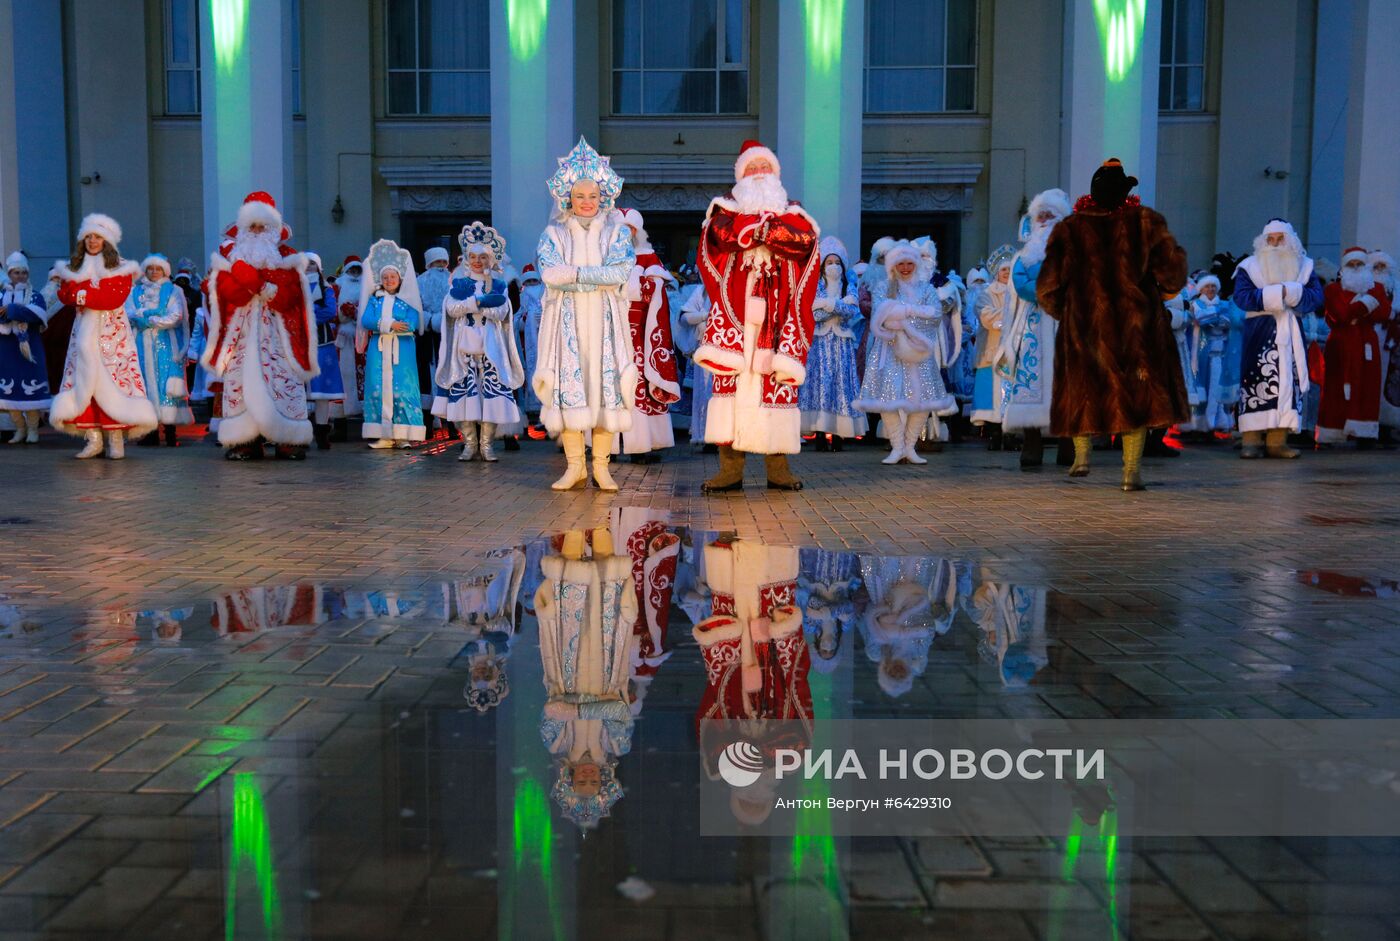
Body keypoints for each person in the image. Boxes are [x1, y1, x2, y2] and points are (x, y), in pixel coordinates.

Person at [1035, 158, 1189, 491]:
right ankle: (1130, 470)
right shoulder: (1147, 223)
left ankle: (1081, 456)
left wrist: (1070, 311)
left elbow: (1047, 287)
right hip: (1137, 326)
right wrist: (1156, 296)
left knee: (1082, 389)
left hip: (1084, 325)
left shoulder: (1070, 228)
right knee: (1137, 394)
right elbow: (1172, 273)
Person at [694, 140, 819, 492]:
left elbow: (802, 242)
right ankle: (729, 471)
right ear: (740, 176)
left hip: (776, 319)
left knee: (774, 387)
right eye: (751, 169)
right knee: (731, 390)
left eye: (765, 168)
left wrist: (763, 232)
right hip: (736, 316)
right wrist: (760, 231)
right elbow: (721, 238)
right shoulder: (724, 212)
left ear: (776, 175)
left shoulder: (795, 214)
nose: (758, 174)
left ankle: (778, 469)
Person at [533, 137, 637, 492]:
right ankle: (575, 466)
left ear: (604, 197)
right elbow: (549, 273)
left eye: (593, 196)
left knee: (607, 392)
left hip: (607, 324)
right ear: (568, 198)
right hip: (568, 325)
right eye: (580, 196)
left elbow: (620, 272)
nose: (587, 202)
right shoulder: (554, 234)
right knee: (571, 390)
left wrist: (574, 275)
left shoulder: (617, 233)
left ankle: (602, 467)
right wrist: (593, 277)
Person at [202, 192, 318, 460]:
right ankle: (245, 440)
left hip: (278, 336)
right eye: (251, 226)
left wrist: (257, 282)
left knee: (282, 383)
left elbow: (289, 297)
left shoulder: (288, 258)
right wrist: (245, 278)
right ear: (242, 228)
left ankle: (287, 438)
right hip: (240, 335)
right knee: (240, 384)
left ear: (273, 228)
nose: (256, 231)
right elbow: (229, 294)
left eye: (262, 226)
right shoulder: (227, 258)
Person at [535, 528, 637, 829]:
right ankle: (603, 519)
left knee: (570, 587)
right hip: (609, 663)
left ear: (570, 778)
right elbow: (619, 710)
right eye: (594, 781)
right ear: (604, 781)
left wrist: (581, 707)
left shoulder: (556, 743)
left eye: (582, 780)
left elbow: (551, 710)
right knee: (610, 584)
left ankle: (575, 520)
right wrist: (578, 710)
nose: (589, 775)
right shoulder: (618, 746)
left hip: (568, 663)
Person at [50, 214, 158, 459]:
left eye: (97, 236)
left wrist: (82, 292)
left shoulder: (120, 267)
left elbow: (112, 298)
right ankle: (94, 440)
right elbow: (64, 294)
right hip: (83, 335)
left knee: (114, 383)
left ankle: (116, 440)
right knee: (83, 382)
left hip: (111, 336)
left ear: (106, 240)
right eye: (88, 236)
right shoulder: (76, 265)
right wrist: (84, 293)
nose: (92, 241)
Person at [853, 239, 959, 465]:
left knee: (922, 402)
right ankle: (897, 447)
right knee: (887, 400)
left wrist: (903, 316)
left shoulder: (927, 289)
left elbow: (935, 316)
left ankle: (910, 447)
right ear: (892, 265)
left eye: (909, 263)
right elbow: (883, 318)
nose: (905, 268)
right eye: (900, 263)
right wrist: (913, 313)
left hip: (920, 354)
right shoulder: (884, 288)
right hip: (889, 351)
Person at [1232, 219, 1326, 457]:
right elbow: (1242, 297)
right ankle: (1250, 442)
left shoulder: (1304, 266)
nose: (1274, 245)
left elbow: (1315, 297)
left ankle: (1277, 442)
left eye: (1280, 239)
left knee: (1287, 386)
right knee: (1255, 383)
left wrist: (1292, 293)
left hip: (1291, 331)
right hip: (1259, 332)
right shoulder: (1249, 267)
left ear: (1290, 240)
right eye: (1270, 240)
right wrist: (1277, 293)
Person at [434, 222, 523, 462]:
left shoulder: (499, 285)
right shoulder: (459, 284)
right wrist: (478, 303)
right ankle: (469, 444)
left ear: (490, 259)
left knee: (491, 400)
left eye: (482, 257)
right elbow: (452, 309)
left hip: (490, 350)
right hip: (464, 352)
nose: (476, 261)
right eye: (472, 256)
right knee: (465, 399)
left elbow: (503, 311)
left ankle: (487, 445)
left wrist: (481, 303)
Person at [1004, 188, 1073, 468]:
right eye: (1040, 216)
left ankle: (1068, 447)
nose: (1044, 221)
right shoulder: (1024, 256)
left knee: (1066, 384)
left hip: (1063, 324)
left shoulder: (1074, 253)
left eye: (1050, 216)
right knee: (1029, 383)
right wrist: (1050, 290)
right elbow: (1021, 285)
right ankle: (1031, 445)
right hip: (1033, 324)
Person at [611, 208, 680, 462]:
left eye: (629, 230)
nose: (624, 234)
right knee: (609, 385)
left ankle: (640, 444)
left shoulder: (648, 258)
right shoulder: (601, 257)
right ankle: (606, 445)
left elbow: (656, 289)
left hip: (639, 333)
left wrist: (631, 286)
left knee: (638, 384)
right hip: (609, 331)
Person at [1317, 247, 1392, 447]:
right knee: (1335, 388)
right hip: (1341, 343)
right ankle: (1331, 432)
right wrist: (1366, 303)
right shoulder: (1333, 290)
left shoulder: (1376, 287)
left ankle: (1364, 432)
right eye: (1352, 264)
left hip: (1366, 342)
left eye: (1360, 264)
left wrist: (1356, 309)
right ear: (1344, 267)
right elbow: (1340, 314)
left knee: (1367, 387)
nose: (1357, 268)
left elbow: (1383, 313)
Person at [799, 236, 867, 449]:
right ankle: (819, 433)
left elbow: (851, 311)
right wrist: (837, 304)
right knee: (820, 384)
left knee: (841, 386)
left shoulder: (849, 285)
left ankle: (839, 434)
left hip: (842, 344)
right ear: (822, 265)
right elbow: (815, 314)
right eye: (829, 262)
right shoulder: (816, 284)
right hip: (820, 343)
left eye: (837, 262)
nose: (834, 266)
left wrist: (827, 304)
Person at [358, 239, 425, 449]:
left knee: (402, 389)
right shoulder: (374, 300)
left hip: (401, 350)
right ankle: (383, 434)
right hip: (379, 349)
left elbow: (411, 323)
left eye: (392, 277)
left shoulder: (407, 300)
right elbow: (366, 320)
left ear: (400, 278)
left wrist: (386, 325)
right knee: (378, 387)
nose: (389, 280)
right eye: (385, 277)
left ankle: (404, 434)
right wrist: (392, 324)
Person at [126, 253, 193, 446]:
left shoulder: (173, 290)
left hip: (166, 344)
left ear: (165, 271)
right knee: (145, 383)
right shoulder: (135, 291)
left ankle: (171, 432)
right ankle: (151, 431)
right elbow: (129, 313)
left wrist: (148, 318)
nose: (154, 272)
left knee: (166, 384)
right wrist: (153, 315)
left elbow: (176, 316)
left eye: (158, 268)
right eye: (150, 268)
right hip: (141, 345)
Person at [0, 252, 52, 444]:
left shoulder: (35, 296)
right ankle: (19, 429)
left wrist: (12, 310)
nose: (20, 276)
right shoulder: (2, 295)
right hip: (7, 350)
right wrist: (14, 312)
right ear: (10, 274)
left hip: (30, 349)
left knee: (31, 392)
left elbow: (36, 316)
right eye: (16, 273)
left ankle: (32, 429)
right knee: (9, 395)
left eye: (23, 273)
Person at [1185, 275, 1243, 434]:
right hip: (1201, 355)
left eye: (1213, 286)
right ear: (1201, 289)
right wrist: (1215, 316)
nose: (1210, 289)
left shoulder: (1224, 304)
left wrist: (1211, 317)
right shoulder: (1196, 304)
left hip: (1221, 355)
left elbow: (1229, 321)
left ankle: (1216, 422)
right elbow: (1202, 319)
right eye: (1207, 286)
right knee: (1202, 387)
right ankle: (1198, 425)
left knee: (1217, 388)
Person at [971, 247, 1015, 441]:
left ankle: (1010, 433)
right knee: (991, 394)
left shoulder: (1018, 293)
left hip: (1013, 351)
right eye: (1003, 270)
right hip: (991, 352)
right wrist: (1012, 317)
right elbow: (986, 316)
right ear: (997, 272)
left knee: (1011, 394)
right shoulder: (986, 293)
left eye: (1009, 270)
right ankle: (993, 433)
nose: (1006, 274)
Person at [333, 255, 365, 433]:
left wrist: (357, 312)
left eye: (357, 270)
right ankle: (340, 426)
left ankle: (366, 425)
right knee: (342, 380)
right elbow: (331, 313)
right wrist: (344, 313)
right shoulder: (337, 287)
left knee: (363, 380)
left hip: (362, 340)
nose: (354, 274)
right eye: (351, 270)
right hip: (343, 341)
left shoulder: (367, 288)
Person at [1370, 250, 1400, 438]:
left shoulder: (1396, 287)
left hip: (1392, 342)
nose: (1381, 269)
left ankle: (1389, 424)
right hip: (1372, 337)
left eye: (1383, 266)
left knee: (1391, 382)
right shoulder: (1365, 286)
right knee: (1371, 380)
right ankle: (1370, 424)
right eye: (1377, 266)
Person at [515, 263, 544, 422]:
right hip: (526, 341)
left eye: (534, 281)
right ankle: (530, 408)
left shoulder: (544, 295)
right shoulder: (522, 297)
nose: (532, 285)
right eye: (529, 282)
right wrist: (525, 321)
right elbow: (516, 318)